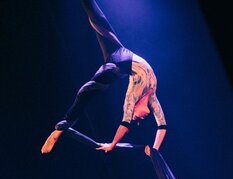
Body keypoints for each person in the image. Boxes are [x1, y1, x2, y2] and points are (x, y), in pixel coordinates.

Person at [41, 0, 167, 156]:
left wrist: (152, 150)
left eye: (136, 118)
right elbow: (161, 127)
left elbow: (129, 124)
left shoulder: (133, 97)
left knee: (85, 92)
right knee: (97, 18)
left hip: (117, 67)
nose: (138, 118)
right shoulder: (151, 98)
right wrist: (115, 145)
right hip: (122, 55)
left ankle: (59, 130)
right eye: (138, 118)